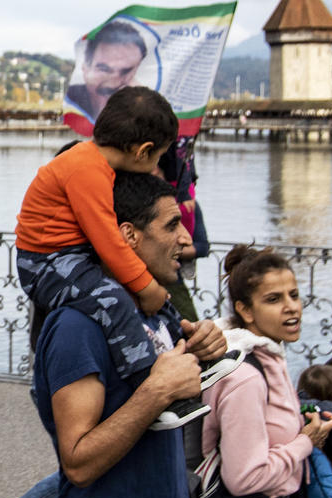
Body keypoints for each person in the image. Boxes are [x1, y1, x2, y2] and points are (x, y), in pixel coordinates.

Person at [30, 171, 226, 498]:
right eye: (172, 226)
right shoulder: (77, 328)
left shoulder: (150, 312)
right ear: (128, 236)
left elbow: (166, 398)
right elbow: (77, 462)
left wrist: (205, 347)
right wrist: (155, 391)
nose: (187, 240)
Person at [15, 87, 236, 430]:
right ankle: (149, 384)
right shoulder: (85, 169)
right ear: (144, 151)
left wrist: (152, 291)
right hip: (46, 264)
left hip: (69, 256)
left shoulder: (94, 166)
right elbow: (108, 241)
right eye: (158, 158)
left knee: (157, 299)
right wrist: (145, 285)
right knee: (116, 300)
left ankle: (193, 353)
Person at [189, 245, 332, 498]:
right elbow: (244, 476)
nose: (291, 308)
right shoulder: (246, 376)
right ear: (246, 310)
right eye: (274, 299)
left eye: (294, 294)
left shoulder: (268, 358)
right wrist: (305, 443)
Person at [65, 20, 149, 121]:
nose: (114, 83)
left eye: (126, 71)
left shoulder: (149, 110)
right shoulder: (72, 102)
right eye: (104, 69)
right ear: (85, 68)